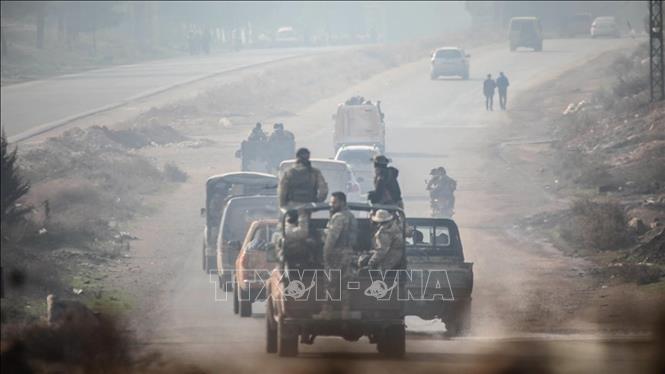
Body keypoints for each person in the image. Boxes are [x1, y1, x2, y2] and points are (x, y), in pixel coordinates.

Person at [321, 192, 357, 316]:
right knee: (346, 284)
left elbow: (332, 238)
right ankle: (345, 311)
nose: (332, 205)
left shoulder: (339, 217)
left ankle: (327, 311)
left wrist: (326, 254)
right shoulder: (351, 216)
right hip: (348, 253)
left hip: (336, 253)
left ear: (342, 202)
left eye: (334, 202)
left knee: (331, 283)